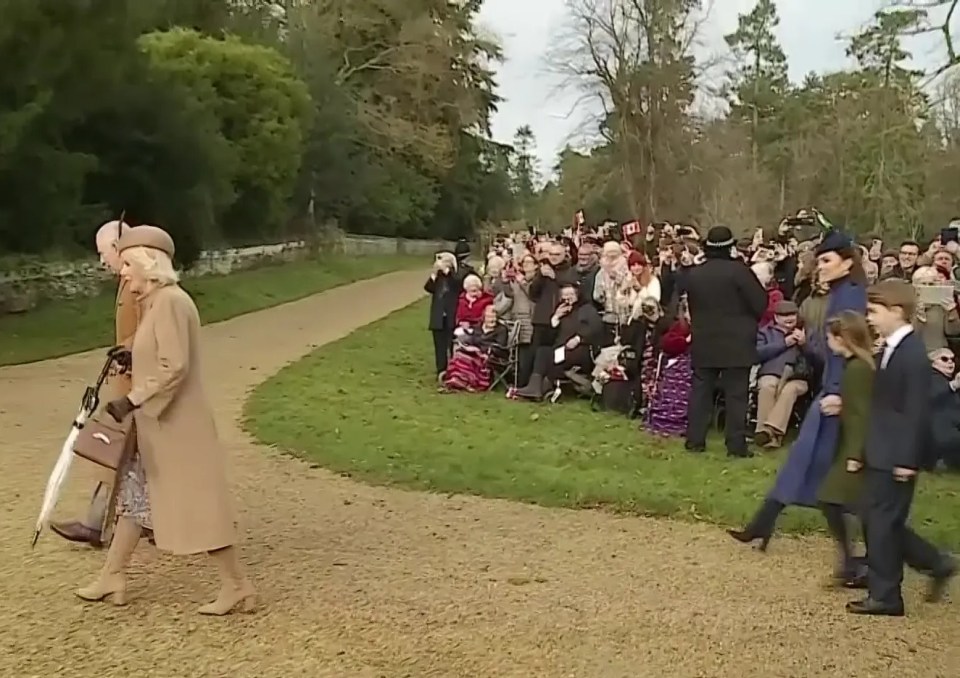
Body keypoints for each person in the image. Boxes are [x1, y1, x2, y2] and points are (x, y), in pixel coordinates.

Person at [76, 226, 256, 615]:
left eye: (126, 264)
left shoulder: (171, 302)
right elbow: (159, 355)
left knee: (200, 505)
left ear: (147, 263)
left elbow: (174, 365)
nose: (122, 273)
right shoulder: (158, 303)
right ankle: (113, 575)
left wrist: (132, 399)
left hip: (178, 427)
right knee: (134, 499)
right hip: (158, 424)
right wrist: (132, 360)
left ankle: (237, 586)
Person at [729, 231, 867, 549]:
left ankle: (904, 555)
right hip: (832, 389)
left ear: (847, 263)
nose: (821, 267)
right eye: (818, 261)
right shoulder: (841, 292)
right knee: (809, 464)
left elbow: (848, 349)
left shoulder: (850, 295)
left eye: (827, 260)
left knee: (824, 474)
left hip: (838, 393)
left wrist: (837, 391)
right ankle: (763, 525)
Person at [848, 280, 956, 616]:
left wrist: (907, 459)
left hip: (897, 454)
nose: (870, 318)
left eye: (874, 311)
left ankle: (887, 594)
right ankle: (934, 563)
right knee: (880, 519)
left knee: (881, 521)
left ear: (896, 311)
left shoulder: (911, 355)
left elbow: (915, 412)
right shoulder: (893, 348)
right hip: (882, 448)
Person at [51, 219, 138, 548]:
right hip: (131, 386)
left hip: (141, 389)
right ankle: (98, 522)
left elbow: (156, 327)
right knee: (120, 454)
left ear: (118, 247)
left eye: (104, 253)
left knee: (131, 454)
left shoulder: (140, 282)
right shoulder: (127, 282)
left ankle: (101, 523)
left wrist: (129, 349)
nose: (102, 260)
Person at [684, 225, 768, 458]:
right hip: (737, 341)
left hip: (705, 339)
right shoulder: (740, 272)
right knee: (736, 395)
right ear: (731, 246)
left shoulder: (695, 274)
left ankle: (695, 440)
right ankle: (735, 445)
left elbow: (692, 307)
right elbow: (760, 304)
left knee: (701, 392)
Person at [816, 311, 874, 587]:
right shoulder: (857, 366)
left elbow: (862, 415)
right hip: (853, 446)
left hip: (856, 449)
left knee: (836, 500)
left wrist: (855, 455)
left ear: (842, 338)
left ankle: (857, 563)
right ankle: (857, 562)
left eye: (830, 337)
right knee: (848, 504)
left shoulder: (858, 368)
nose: (828, 342)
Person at [424, 252, 460, 376]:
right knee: (439, 346)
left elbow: (458, 284)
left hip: (451, 316)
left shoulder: (455, 277)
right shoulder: (438, 277)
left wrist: (448, 271)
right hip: (438, 316)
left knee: (452, 344)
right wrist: (434, 274)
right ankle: (441, 370)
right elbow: (428, 288)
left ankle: (455, 368)